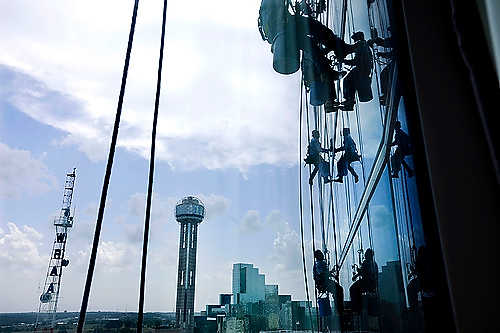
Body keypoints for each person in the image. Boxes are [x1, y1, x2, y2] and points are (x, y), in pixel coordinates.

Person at [332, 31, 373, 112]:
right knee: (351, 81)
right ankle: (349, 102)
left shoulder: (360, 44)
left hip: (362, 69)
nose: (354, 40)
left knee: (347, 80)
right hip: (364, 69)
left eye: (355, 38)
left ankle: (349, 101)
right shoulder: (364, 45)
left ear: (358, 38)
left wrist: (343, 60)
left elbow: (354, 57)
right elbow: (350, 50)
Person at [368, 27, 395, 106]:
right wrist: (381, 54)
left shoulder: (397, 38)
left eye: (390, 30)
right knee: (384, 74)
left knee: (384, 74)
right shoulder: (396, 38)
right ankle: (387, 95)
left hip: (398, 61)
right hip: (396, 59)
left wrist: (375, 40)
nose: (390, 32)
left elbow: (386, 43)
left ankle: (387, 95)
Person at [313, 250, 344, 315]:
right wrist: (332, 273)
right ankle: (339, 308)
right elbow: (323, 274)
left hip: (324, 283)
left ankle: (338, 307)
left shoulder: (320, 263)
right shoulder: (319, 264)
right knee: (339, 290)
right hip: (324, 283)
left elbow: (325, 273)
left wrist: (332, 274)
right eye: (321, 254)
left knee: (338, 290)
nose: (322, 255)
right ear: (318, 256)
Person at [349, 248, 378, 313]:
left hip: (368, 282)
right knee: (355, 290)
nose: (365, 255)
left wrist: (357, 274)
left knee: (352, 289)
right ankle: (358, 306)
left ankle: (356, 308)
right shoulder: (371, 263)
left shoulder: (370, 263)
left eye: (366, 254)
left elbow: (366, 273)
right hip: (369, 283)